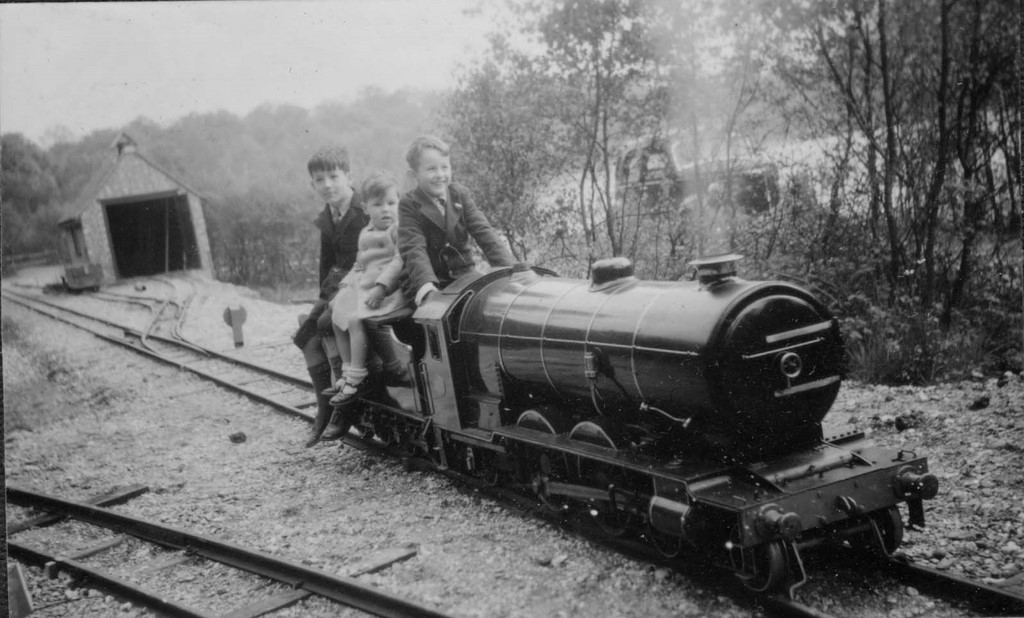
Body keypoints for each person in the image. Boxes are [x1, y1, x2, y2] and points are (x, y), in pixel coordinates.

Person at [293, 146, 368, 447]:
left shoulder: (364, 212)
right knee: (305, 337)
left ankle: (344, 405)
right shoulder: (328, 217)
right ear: (312, 185)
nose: (327, 185)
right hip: (338, 287)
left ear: (349, 176)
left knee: (326, 323)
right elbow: (327, 265)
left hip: (365, 282)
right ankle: (324, 412)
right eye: (319, 180)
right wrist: (322, 298)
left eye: (333, 177)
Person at [397, 135, 514, 307]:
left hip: (464, 275)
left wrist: (510, 267)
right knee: (438, 311)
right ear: (414, 175)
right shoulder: (409, 204)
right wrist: (426, 285)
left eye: (445, 167)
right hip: (428, 280)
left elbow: (483, 231)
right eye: (431, 169)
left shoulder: (460, 194)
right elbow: (413, 248)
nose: (440, 175)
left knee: (492, 301)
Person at [327, 171, 410, 405]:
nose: (385, 209)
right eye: (378, 204)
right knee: (337, 313)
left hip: (389, 290)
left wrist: (381, 287)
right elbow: (360, 263)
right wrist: (346, 285)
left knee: (355, 320)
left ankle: (356, 375)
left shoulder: (397, 230)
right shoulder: (366, 232)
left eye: (391, 203)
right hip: (364, 285)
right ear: (365, 208)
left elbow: (400, 260)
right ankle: (347, 370)